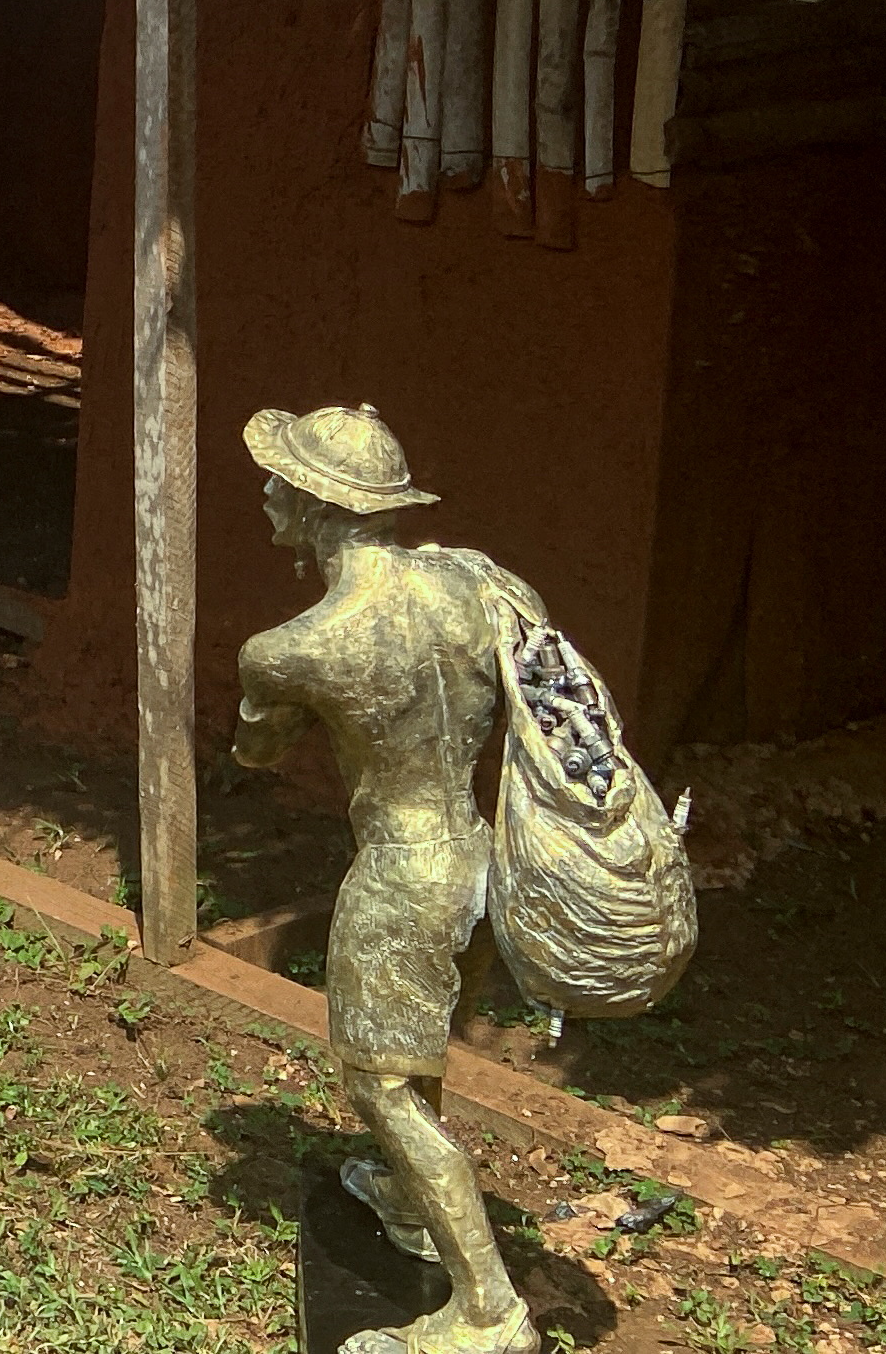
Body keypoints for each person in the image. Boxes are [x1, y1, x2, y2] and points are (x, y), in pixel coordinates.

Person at [233, 404, 538, 1354]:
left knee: (384, 1089)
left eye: (282, 480)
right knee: (426, 1050)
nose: (269, 492)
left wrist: (262, 703)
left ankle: (489, 1312)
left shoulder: (296, 648)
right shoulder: (473, 584)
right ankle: (413, 1204)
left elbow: (256, 751)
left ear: (320, 505)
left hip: (404, 876)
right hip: (485, 862)